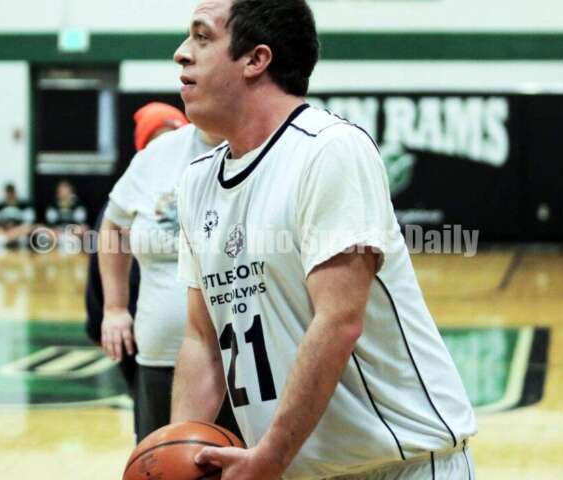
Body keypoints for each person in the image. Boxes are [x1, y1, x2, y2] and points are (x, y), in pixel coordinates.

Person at [171, 1, 477, 479]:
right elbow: (202, 340)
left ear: (256, 59)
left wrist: (271, 455)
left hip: (398, 466)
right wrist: (179, 452)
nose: (181, 53)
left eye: (202, 36)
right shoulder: (196, 182)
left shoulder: (329, 150)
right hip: (289, 468)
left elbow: (338, 322)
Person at [98, 103, 240, 442]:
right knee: (161, 460)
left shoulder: (264, 150)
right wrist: (114, 308)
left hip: (245, 362)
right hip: (160, 356)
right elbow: (113, 226)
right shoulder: (158, 154)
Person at [0, 183, 35, 248]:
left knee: (28, 227)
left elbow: (28, 220)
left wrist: (16, 225)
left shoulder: (24, 205)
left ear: (15, 193)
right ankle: (10, 237)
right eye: (8, 193)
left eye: (11, 193)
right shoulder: (0, 205)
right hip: (3, 229)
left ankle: (9, 237)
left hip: (17, 228)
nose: (9, 195)